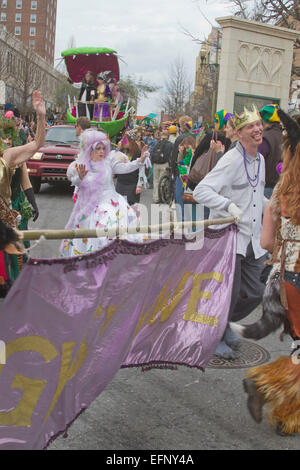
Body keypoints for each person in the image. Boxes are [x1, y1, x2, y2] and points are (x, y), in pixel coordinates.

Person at [232, 108, 300, 436]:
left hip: (280, 282)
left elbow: (266, 241)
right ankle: (263, 381)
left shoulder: (278, 197)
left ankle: (288, 417)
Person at [193, 105, 268, 359]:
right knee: (228, 292)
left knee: (257, 291)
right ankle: (214, 335)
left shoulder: (261, 159)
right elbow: (201, 191)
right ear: (238, 132)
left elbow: (256, 196)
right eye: (250, 126)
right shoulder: (231, 159)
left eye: (258, 124)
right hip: (229, 236)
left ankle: (221, 323)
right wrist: (228, 205)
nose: (257, 129)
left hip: (253, 237)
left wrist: (276, 207)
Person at [61, 130, 149, 257]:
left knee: (113, 227)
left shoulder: (108, 162)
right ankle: (97, 258)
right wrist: (79, 178)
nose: (102, 151)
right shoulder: (82, 165)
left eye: (103, 148)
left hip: (113, 202)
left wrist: (140, 160)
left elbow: (125, 168)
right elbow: (76, 183)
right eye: (98, 149)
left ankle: (112, 257)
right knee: (95, 236)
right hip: (92, 206)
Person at [170, 115, 193, 220]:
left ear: (182, 127)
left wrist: (173, 171)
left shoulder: (180, 139)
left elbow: (174, 157)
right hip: (193, 172)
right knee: (190, 200)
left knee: (180, 199)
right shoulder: (196, 137)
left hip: (182, 171)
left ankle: (182, 223)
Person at [116, 132, 147, 206]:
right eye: (123, 140)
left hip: (132, 185)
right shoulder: (122, 152)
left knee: (132, 209)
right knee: (120, 209)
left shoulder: (138, 153)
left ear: (131, 141)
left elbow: (141, 170)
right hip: (120, 184)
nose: (123, 142)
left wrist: (139, 185)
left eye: (125, 140)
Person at [258, 104, 283, 199]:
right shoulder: (283, 137)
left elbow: (257, 161)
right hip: (279, 188)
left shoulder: (265, 137)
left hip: (265, 188)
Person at [151, 130, 173, 203]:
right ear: (168, 136)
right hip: (164, 164)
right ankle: (161, 197)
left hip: (156, 164)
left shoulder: (157, 144)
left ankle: (155, 198)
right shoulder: (170, 144)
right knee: (162, 181)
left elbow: (152, 153)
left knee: (156, 181)